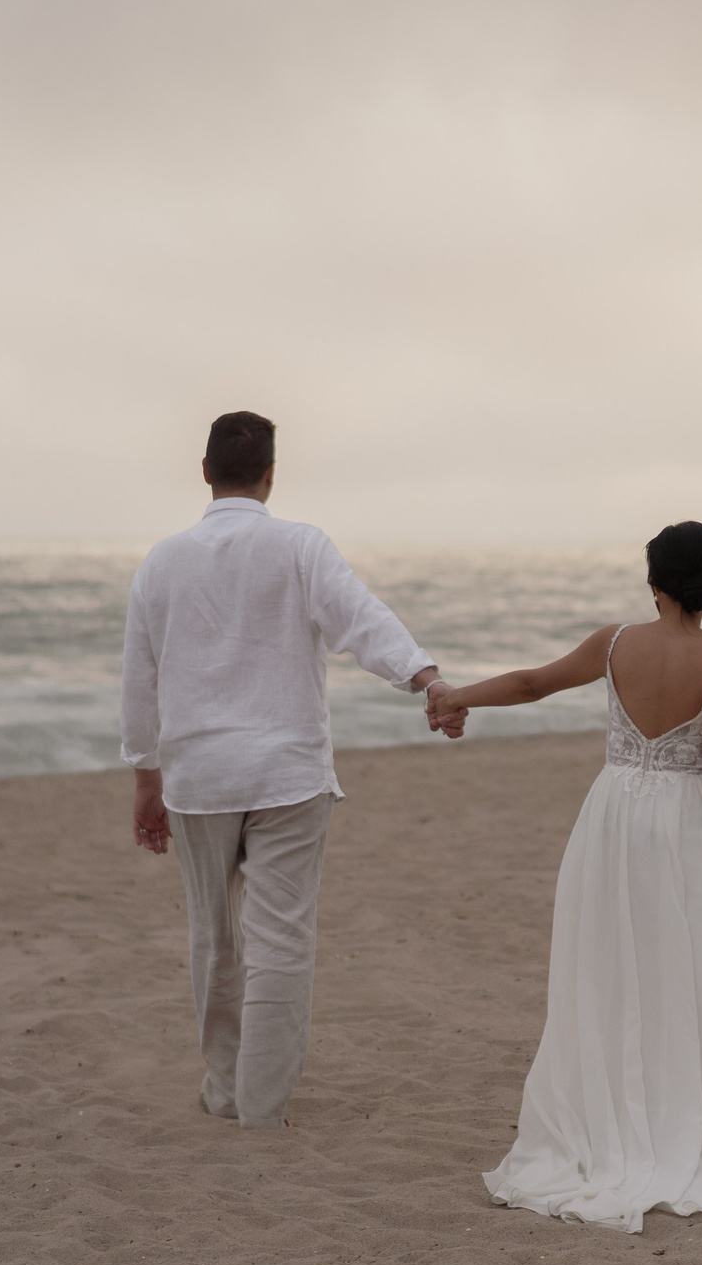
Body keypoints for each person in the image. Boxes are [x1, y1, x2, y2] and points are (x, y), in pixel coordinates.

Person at [432, 521, 702, 1232]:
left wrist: (457, 696)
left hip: (612, 821)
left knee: (611, 967)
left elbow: (531, 682)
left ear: (654, 578)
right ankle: (692, 1119)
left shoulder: (615, 642)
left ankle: (613, 1120)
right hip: (690, 824)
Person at [120, 411, 459, 1129]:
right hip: (288, 772)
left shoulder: (161, 561)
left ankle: (224, 1088)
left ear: (205, 471)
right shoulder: (300, 546)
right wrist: (425, 678)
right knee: (280, 938)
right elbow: (362, 619)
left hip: (199, 777)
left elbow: (139, 681)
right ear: (271, 475)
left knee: (213, 937)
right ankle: (262, 1105)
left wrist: (146, 780)